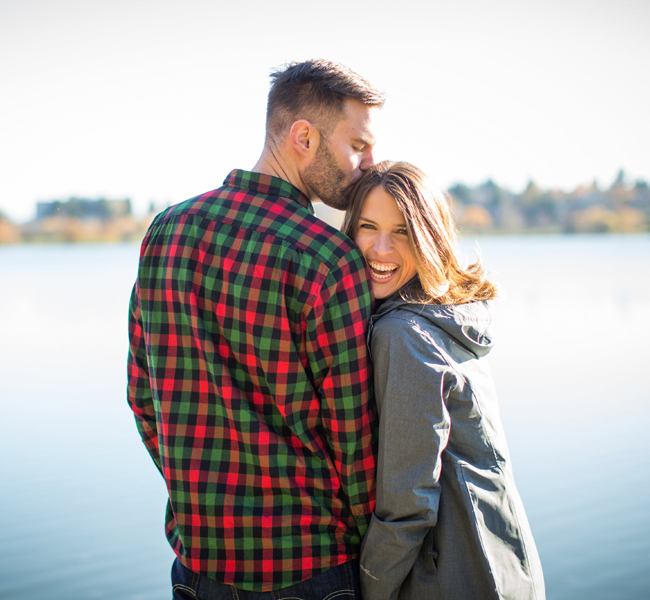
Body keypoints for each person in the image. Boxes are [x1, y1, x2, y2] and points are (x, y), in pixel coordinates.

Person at [127, 59, 384, 597]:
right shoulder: (327, 259)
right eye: (358, 145)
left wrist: (195, 499)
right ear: (304, 137)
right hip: (311, 567)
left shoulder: (166, 231)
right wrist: (371, 554)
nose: (370, 163)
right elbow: (354, 442)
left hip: (199, 566)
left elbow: (142, 397)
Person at [341, 161, 545, 600]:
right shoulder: (445, 315)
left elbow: (407, 503)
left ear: (428, 238)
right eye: (368, 227)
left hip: (456, 573)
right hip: (505, 560)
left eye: (402, 232)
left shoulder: (403, 334)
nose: (380, 248)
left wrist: (368, 588)